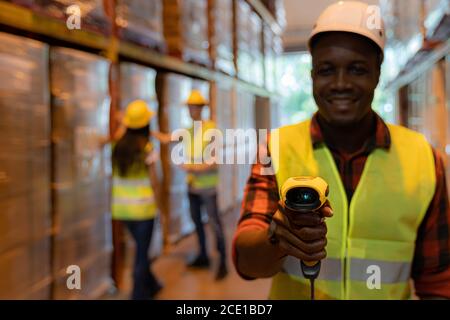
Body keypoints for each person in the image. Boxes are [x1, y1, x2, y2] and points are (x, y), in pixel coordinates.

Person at [233, 1, 450, 300]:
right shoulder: (275, 148)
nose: (340, 84)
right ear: (311, 75)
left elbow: (438, 281)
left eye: (357, 69)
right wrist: (276, 239)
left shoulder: (426, 160)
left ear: (377, 73)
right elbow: (246, 261)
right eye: (326, 70)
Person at [111, 100, 163, 300]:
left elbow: (119, 134)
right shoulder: (147, 148)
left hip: (122, 211)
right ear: (146, 124)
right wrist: (159, 206)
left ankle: (153, 285)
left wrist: (125, 122)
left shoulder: (117, 147)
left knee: (141, 250)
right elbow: (154, 181)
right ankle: (138, 295)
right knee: (141, 255)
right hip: (143, 210)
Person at [182, 89, 228, 280]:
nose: (192, 110)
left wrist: (194, 168)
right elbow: (171, 138)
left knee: (214, 224)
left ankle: (223, 262)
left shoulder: (211, 130)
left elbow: (215, 160)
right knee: (197, 223)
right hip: (192, 186)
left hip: (207, 188)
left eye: (195, 107)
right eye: (190, 107)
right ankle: (203, 256)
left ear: (201, 108)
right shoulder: (190, 130)